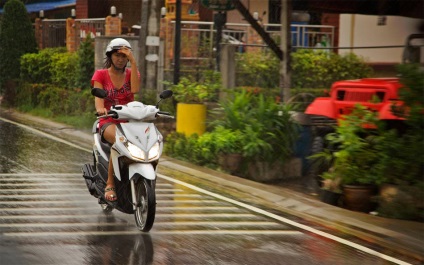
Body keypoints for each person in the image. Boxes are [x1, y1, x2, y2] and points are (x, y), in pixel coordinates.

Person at [91, 38, 140, 201]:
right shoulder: (101, 74)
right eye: (117, 55)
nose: (120, 59)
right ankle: (110, 183)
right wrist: (100, 109)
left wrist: (133, 61)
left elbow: (135, 89)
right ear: (110, 56)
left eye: (124, 56)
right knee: (120, 140)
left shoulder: (132, 73)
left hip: (129, 121)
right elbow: (98, 97)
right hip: (109, 121)